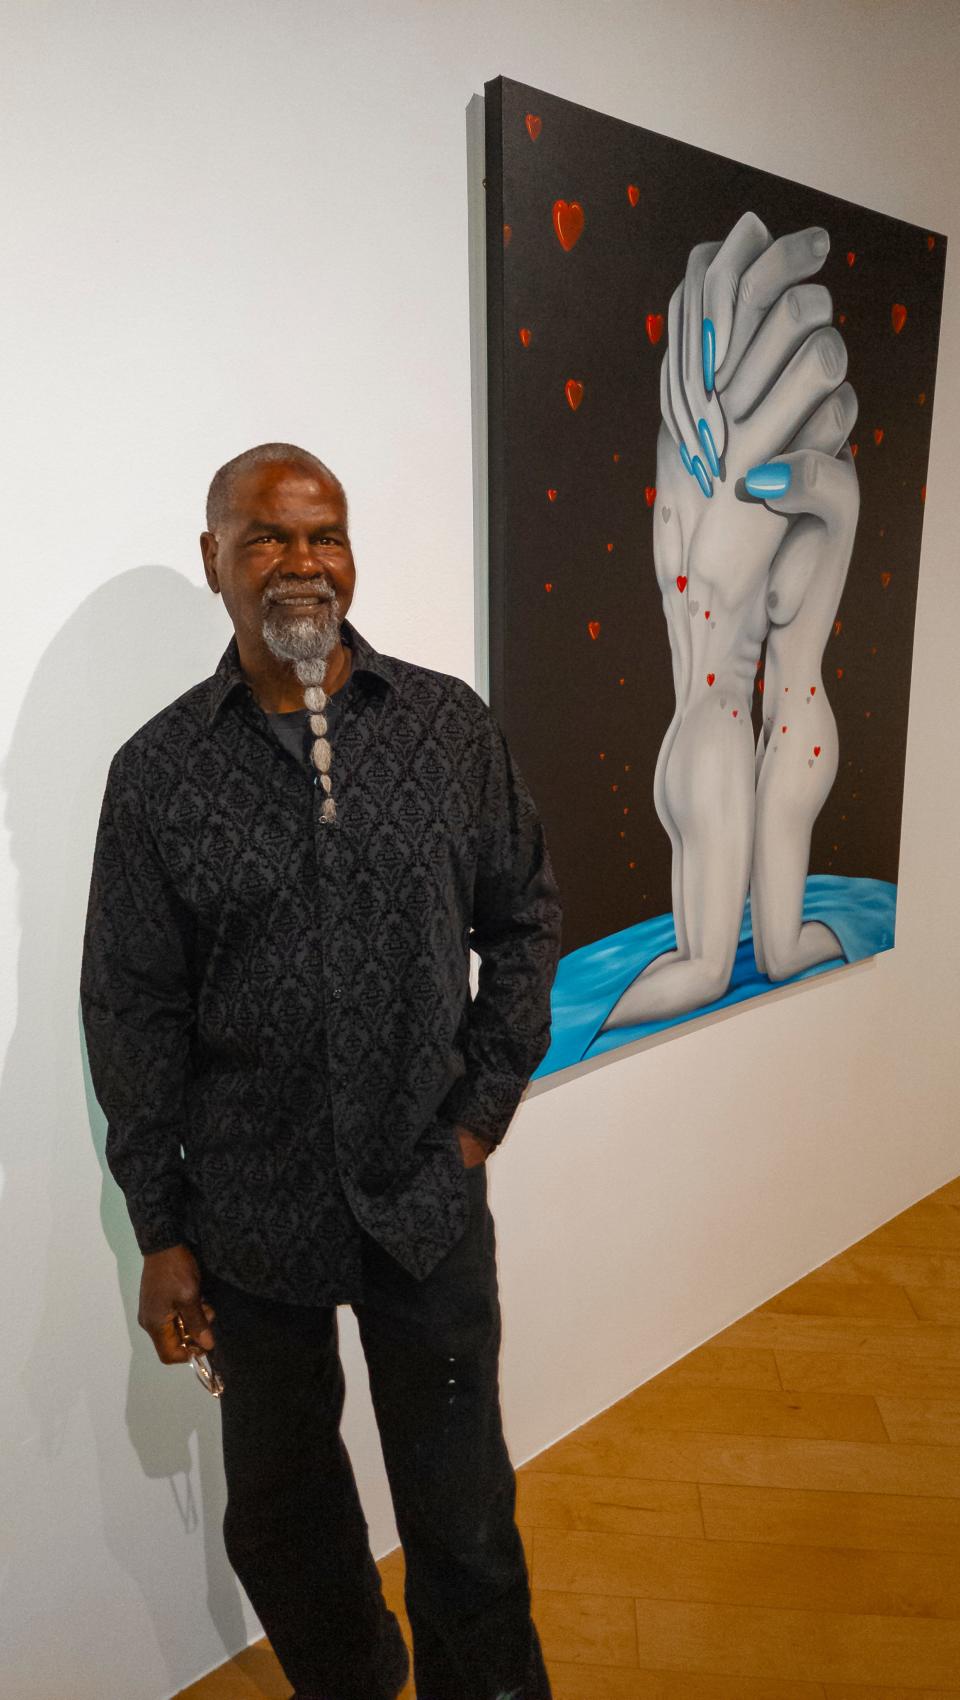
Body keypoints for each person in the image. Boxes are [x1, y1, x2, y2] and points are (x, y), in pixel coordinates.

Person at [80, 443, 563, 1700]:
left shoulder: (447, 727)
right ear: (214, 562)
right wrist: (162, 1231)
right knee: (284, 1524)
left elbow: (523, 921)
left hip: (424, 1201)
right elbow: (130, 1010)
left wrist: (478, 1117)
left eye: (325, 534)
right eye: (267, 538)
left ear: (351, 553)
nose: (302, 563)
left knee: (463, 1523)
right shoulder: (157, 774)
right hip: (252, 1222)